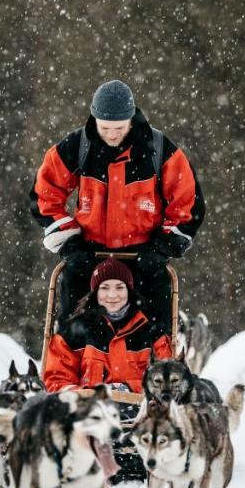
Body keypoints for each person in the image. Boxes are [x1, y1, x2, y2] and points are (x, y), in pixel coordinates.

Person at [30, 79, 204, 324]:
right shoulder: (77, 147)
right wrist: (70, 242)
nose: (112, 134)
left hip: (144, 260)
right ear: (94, 120)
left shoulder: (160, 150)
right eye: (105, 128)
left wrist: (162, 247)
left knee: (152, 331)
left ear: (131, 120)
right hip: (88, 257)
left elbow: (188, 202)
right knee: (74, 330)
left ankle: (158, 362)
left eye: (120, 128)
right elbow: (44, 194)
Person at [43, 258, 173, 394]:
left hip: (141, 410)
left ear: (129, 291)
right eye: (104, 288)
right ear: (96, 293)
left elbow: (167, 379)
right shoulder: (75, 332)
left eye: (120, 287)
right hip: (88, 410)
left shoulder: (151, 330)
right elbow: (56, 381)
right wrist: (89, 395)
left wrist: (127, 389)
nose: (112, 295)